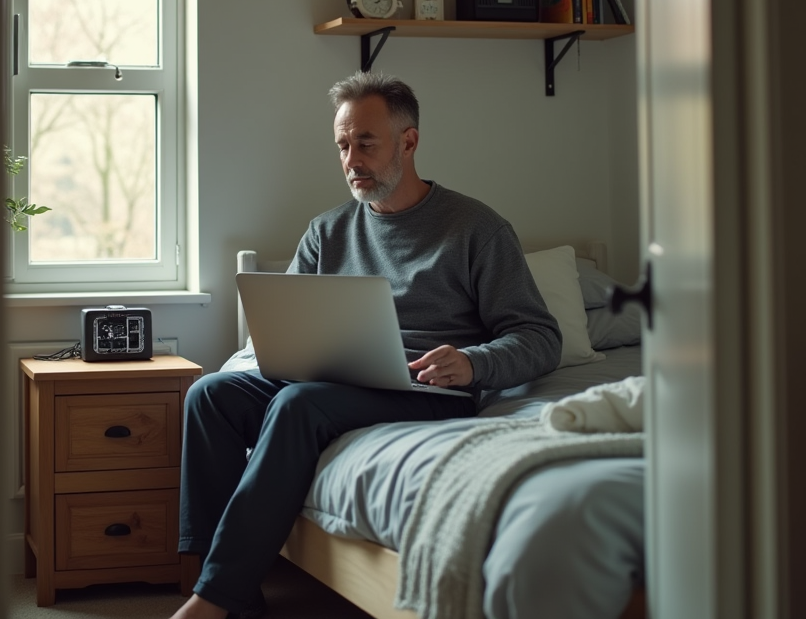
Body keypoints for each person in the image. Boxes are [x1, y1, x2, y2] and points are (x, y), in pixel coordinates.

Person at [170, 72, 562, 619]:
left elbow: (540, 337)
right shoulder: (326, 232)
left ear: (409, 141)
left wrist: (471, 363)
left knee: (297, 404)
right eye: (343, 145)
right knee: (209, 394)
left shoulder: (476, 228)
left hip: (425, 387)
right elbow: (288, 322)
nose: (352, 158)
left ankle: (213, 601)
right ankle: (231, 591)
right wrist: (276, 353)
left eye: (366, 143)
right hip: (332, 376)